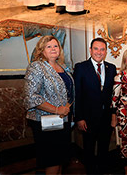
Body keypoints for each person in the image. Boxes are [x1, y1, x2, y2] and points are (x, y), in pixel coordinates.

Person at [24, 35, 74, 174]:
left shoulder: (62, 67)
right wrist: (57, 110)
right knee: (52, 160)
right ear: (41, 50)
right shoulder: (36, 67)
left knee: (60, 160)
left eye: (56, 46)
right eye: (49, 46)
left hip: (63, 121)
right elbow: (31, 97)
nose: (53, 49)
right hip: (46, 122)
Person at [74, 37, 117, 174]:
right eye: (96, 49)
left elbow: (113, 95)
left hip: (106, 118)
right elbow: (77, 94)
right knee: (89, 150)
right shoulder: (81, 67)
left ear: (105, 52)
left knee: (104, 149)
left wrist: (113, 115)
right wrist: (79, 118)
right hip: (88, 119)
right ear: (90, 50)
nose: (99, 52)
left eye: (102, 49)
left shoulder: (112, 68)